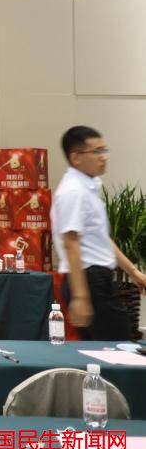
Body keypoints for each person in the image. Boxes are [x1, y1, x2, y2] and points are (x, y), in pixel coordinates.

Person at [53, 125, 146, 340]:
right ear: (76, 157)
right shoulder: (73, 191)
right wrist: (81, 296)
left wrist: (133, 272)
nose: (104, 157)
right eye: (96, 151)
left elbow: (101, 238)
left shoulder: (88, 187)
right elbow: (71, 243)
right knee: (117, 347)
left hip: (96, 279)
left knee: (110, 346)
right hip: (88, 280)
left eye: (104, 150)